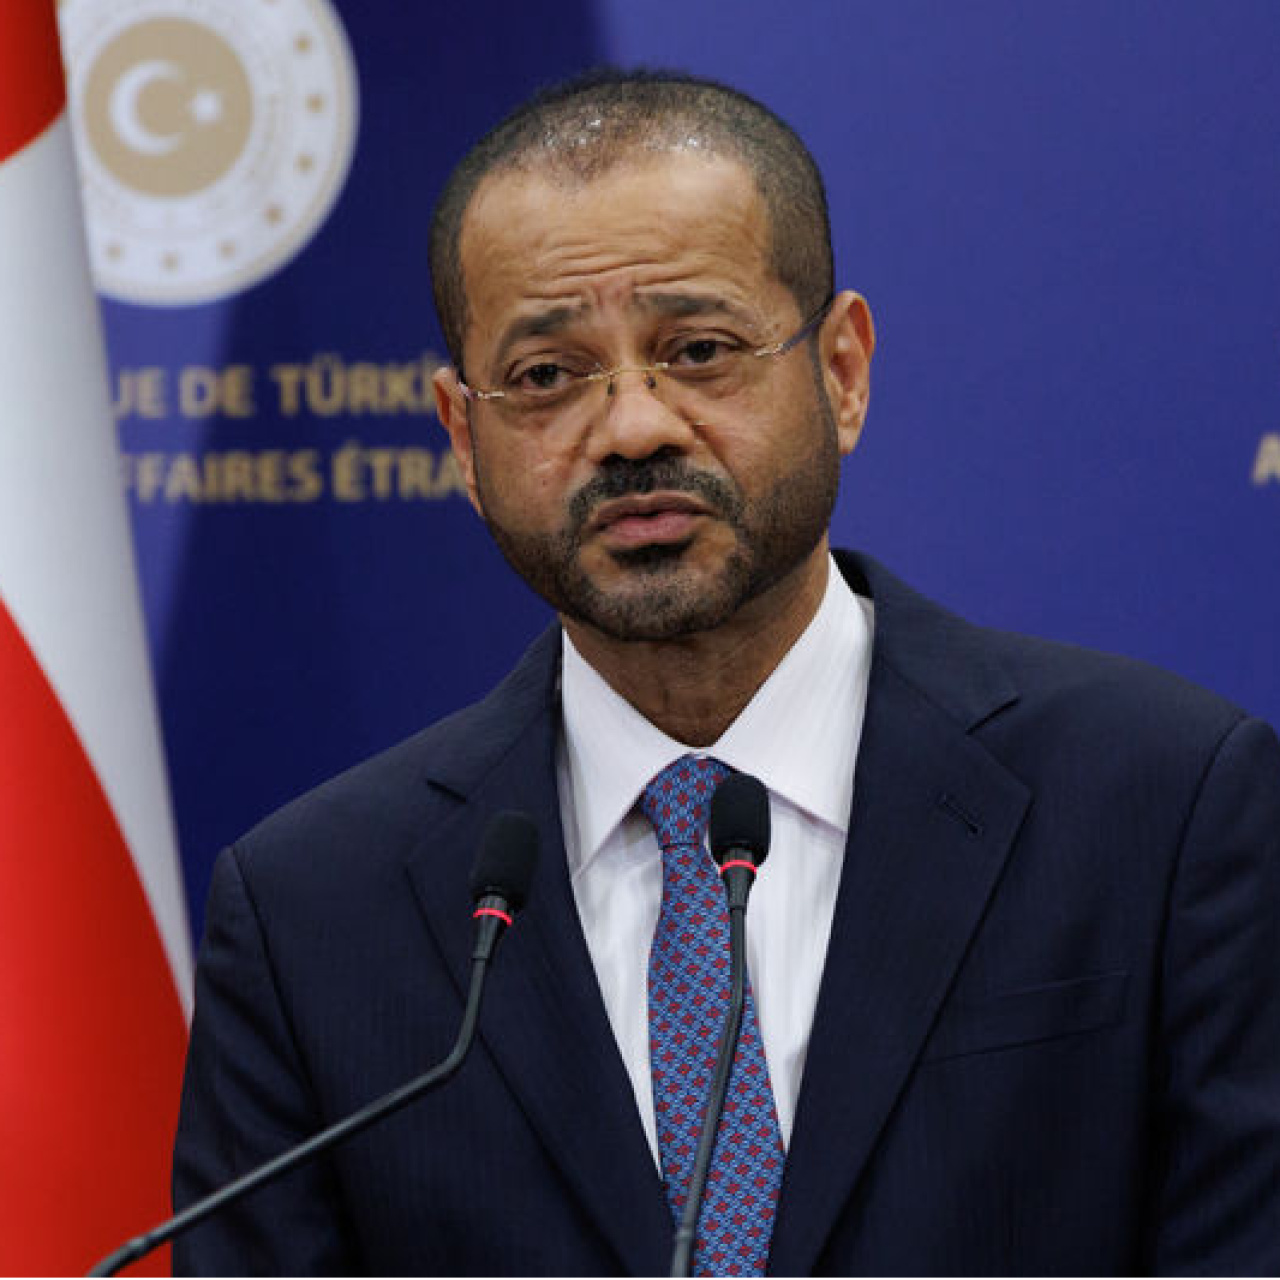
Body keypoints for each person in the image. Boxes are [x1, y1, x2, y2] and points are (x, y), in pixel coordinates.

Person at [172, 69, 1280, 1275]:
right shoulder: (314, 914)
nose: (631, 428)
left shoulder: (1161, 805)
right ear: (461, 437)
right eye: (545, 376)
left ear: (840, 371)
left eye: (697, 350)